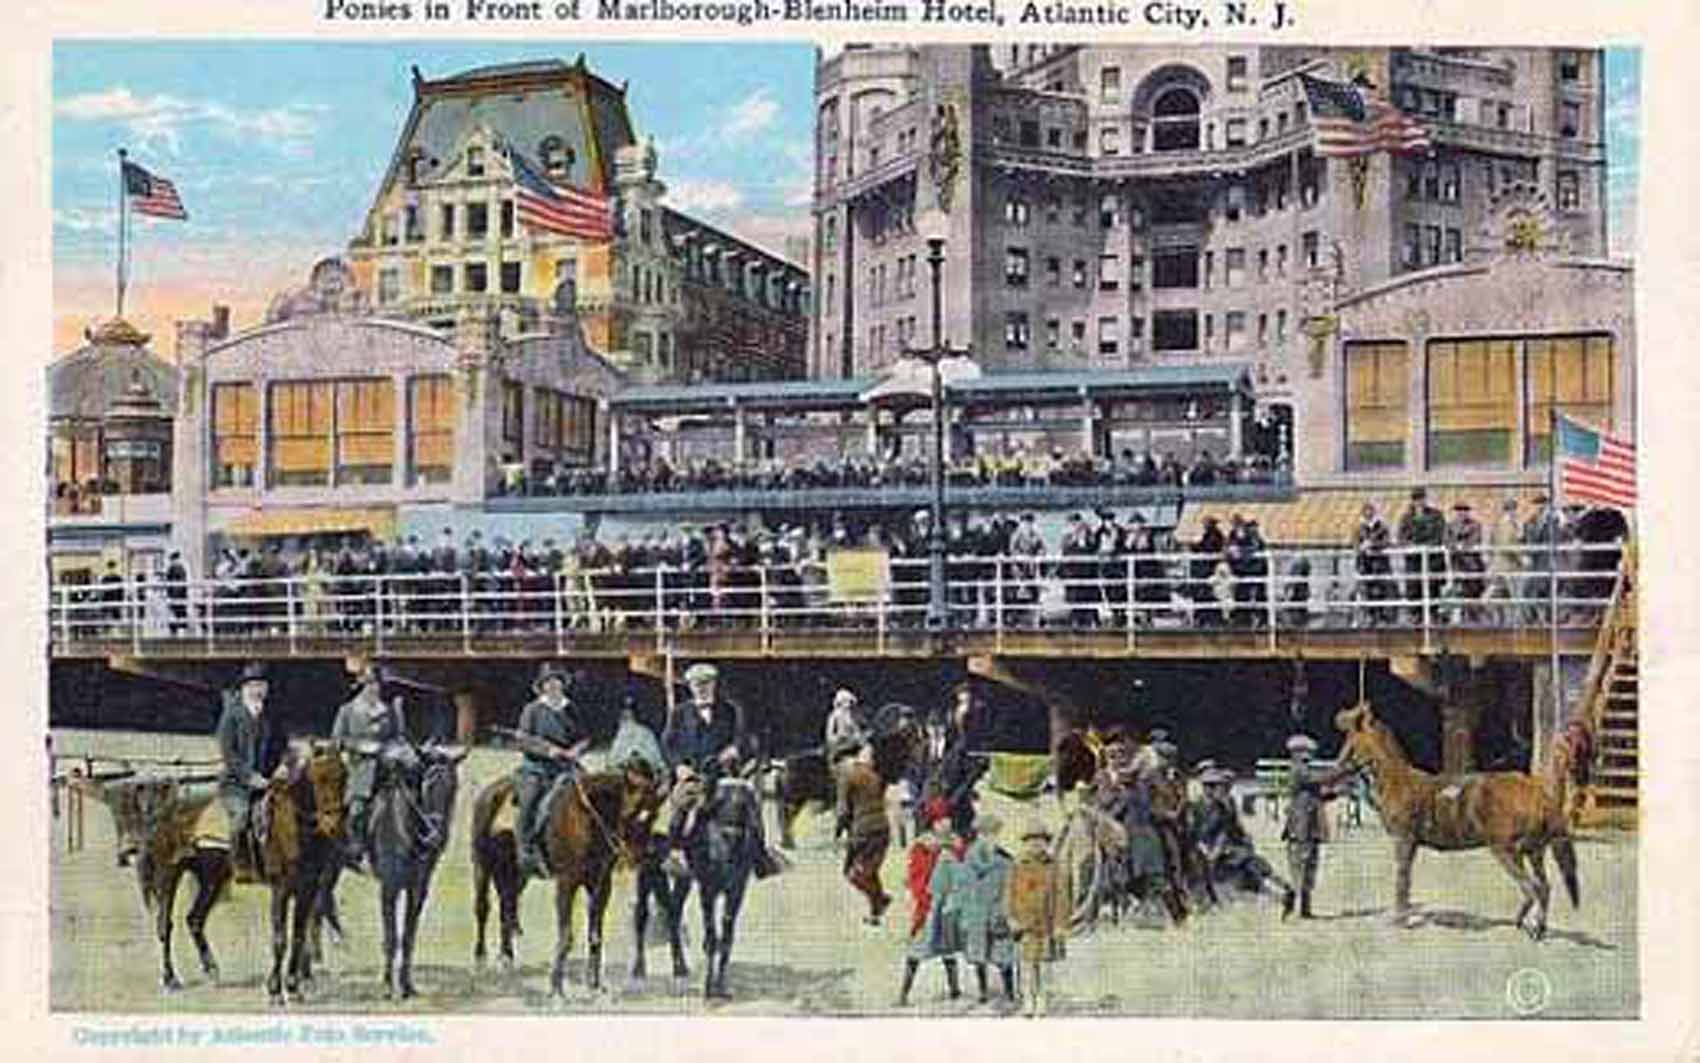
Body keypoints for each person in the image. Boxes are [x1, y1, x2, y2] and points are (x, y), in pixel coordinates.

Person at [662, 663, 781, 879]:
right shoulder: (679, 713)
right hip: (693, 774)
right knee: (683, 803)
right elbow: (668, 744)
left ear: (714, 685)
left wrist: (734, 749)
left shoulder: (730, 709)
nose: (702, 688)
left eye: (707, 684)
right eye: (697, 684)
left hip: (724, 772)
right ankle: (675, 852)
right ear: (690, 687)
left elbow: (740, 737)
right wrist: (679, 766)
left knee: (750, 800)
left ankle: (760, 855)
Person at [330, 661, 412, 873]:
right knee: (357, 810)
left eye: (376, 685)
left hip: (387, 770)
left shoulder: (389, 710)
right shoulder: (347, 710)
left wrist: (394, 749)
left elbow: (399, 737)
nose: (374, 689)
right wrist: (360, 746)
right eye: (369, 685)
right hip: (360, 771)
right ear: (361, 687)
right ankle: (357, 850)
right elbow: (337, 741)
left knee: (410, 800)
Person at [513, 662, 588, 880]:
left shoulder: (571, 708)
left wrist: (577, 750)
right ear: (543, 686)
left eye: (558, 681)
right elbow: (523, 741)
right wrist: (548, 751)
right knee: (530, 800)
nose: (554, 686)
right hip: (537, 768)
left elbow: (584, 737)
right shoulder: (532, 710)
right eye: (550, 682)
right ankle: (526, 849)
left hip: (567, 767)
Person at [1193, 768, 1296, 917]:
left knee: (1254, 870)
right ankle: (1280, 894)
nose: (1212, 789)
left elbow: (1226, 831)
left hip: (1227, 851)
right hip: (1211, 852)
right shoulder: (1198, 807)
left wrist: (1217, 850)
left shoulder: (1223, 807)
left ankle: (1283, 891)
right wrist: (1205, 849)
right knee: (1246, 878)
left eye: (1215, 785)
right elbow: (1195, 832)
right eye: (1209, 785)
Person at [214, 662, 283, 883]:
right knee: (242, 818)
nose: (258, 690)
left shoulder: (272, 715)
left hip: (268, 782)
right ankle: (240, 864)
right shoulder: (232, 715)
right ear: (244, 688)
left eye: (262, 685)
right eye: (253, 685)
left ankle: (272, 863)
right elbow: (228, 753)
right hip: (236, 784)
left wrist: (283, 765)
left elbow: (282, 744)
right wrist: (250, 777)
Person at [899, 799, 965, 1007]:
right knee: (917, 948)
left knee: (948, 948)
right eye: (940, 820)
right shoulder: (923, 845)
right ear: (932, 823)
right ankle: (904, 992)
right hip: (929, 904)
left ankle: (954, 989)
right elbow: (915, 874)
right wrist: (924, 894)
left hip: (949, 905)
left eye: (947, 819)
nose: (945, 824)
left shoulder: (956, 844)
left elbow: (964, 870)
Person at [1280, 734, 1351, 919]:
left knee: (1310, 866)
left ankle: (1305, 909)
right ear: (1295, 753)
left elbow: (1318, 793)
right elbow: (1319, 780)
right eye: (1303, 752)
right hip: (1300, 825)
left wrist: (1335, 792)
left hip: (1311, 825)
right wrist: (1344, 769)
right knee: (1300, 866)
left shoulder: (1304, 770)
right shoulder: (1298, 770)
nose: (1307, 756)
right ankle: (1293, 907)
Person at [1005, 823, 1067, 1019]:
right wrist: (1011, 918)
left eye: (1040, 841)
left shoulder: (1054, 866)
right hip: (1025, 925)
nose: (1036, 846)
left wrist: (1060, 924)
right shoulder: (1017, 865)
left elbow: (1062, 896)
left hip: (1047, 925)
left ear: (1046, 843)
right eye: (1031, 842)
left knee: (1046, 965)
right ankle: (1027, 1000)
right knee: (1027, 965)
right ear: (1025, 844)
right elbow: (1009, 894)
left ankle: (1042, 999)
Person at [958, 812, 1017, 1008]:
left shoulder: (1006, 860)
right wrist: (965, 914)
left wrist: (1006, 912)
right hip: (976, 913)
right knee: (978, 956)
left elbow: (1010, 888)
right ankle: (983, 990)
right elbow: (964, 887)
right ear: (978, 834)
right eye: (984, 833)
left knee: (1003, 956)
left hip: (998, 912)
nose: (989, 837)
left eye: (993, 833)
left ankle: (1009, 992)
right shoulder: (969, 858)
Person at [834, 738, 892, 924]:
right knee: (869, 871)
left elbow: (843, 810)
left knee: (852, 874)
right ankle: (875, 912)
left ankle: (880, 899)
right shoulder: (873, 773)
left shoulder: (847, 775)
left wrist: (838, 831)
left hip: (862, 830)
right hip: (882, 827)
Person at [926, 683, 987, 837]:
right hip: (954, 760)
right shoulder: (953, 722)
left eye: (966, 700)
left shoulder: (978, 714)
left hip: (969, 758)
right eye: (961, 700)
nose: (962, 710)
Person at [1397, 487, 1447, 623]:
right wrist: (1412, 546)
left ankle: (1433, 615)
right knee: (1414, 588)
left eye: (1421, 498)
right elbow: (1401, 538)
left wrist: (1429, 546)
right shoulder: (1406, 518)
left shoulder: (1436, 515)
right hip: (1414, 561)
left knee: (1433, 587)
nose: (1419, 502)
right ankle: (1415, 616)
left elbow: (1441, 534)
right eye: (1416, 499)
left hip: (1432, 560)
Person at [1354, 503, 1393, 626]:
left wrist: (1373, 545)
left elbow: (1386, 542)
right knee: (1367, 590)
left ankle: (1382, 616)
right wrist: (1362, 547)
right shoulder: (1359, 528)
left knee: (1382, 590)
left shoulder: (1381, 527)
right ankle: (1371, 616)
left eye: (1370, 511)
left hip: (1380, 563)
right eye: (1366, 512)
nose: (1368, 514)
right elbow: (1355, 544)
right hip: (1365, 564)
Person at [823, 688, 868, 755]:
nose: (847, 705)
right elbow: (829, 735)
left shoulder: (853, 715)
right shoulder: (834, 716)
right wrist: (838, 738)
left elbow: (858, 728)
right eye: (844, 701)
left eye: (849, 702)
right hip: (840, 746)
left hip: (854, 744)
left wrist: (858, 736)